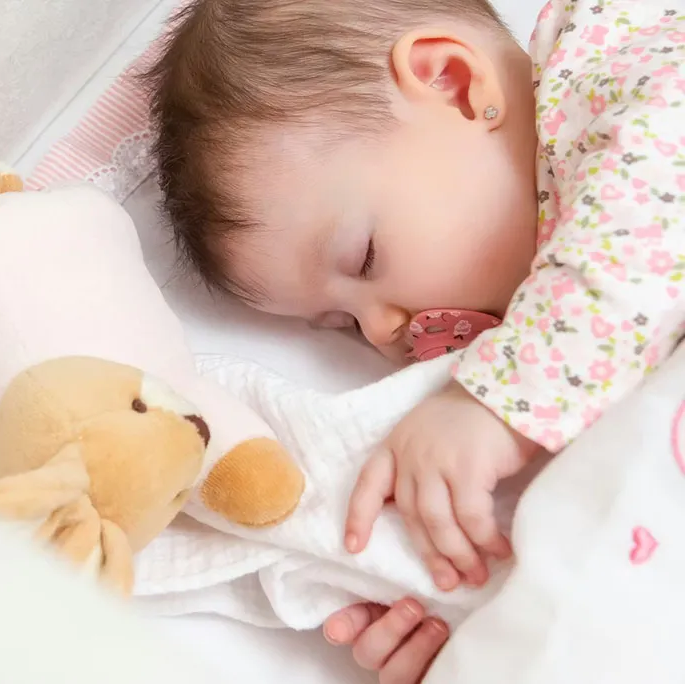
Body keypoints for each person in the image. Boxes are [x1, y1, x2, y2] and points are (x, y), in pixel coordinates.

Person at [147, 0, 685, 680]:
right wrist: (461, 606)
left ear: (455, 85)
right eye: (342, 325)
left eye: (365, 257)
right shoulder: (539, 339)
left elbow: (642, 235)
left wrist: (493, 404)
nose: (380, 329)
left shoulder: (625, 75)